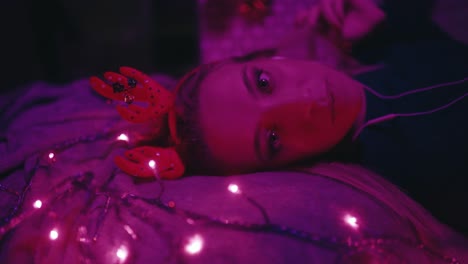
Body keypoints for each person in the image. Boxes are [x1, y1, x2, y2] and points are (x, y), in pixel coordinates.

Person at [90, 0, 468, 238]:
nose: (305, 103)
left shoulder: (373, 45)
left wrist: (385, 14)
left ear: (271, 59)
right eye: (272, 138)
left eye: (265, 82)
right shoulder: (414, 172)